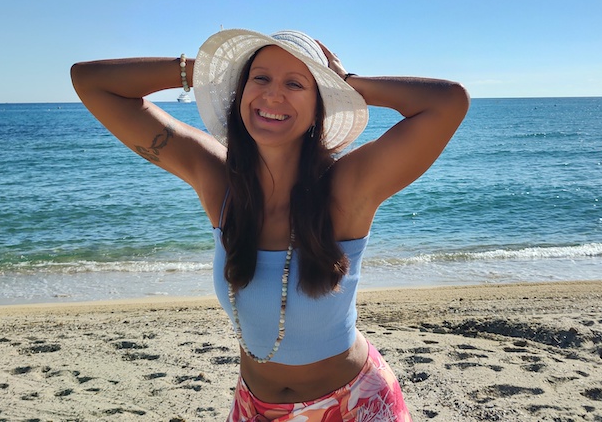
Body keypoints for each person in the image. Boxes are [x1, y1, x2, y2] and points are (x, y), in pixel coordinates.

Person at [71, 28, 469, 421]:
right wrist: (208, 71)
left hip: (353, 404)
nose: (273, 94)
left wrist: (346, 83)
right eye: (259, 78)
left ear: (319, 106)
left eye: (295, 84)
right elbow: (90, 82)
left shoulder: (347, 190)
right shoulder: (218, 181)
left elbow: (448, 102)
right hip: (254, 407)